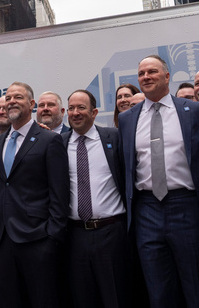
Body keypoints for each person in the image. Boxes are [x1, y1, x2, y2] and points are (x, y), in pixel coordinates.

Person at [120, 55, 199, 308]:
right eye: (141, 73)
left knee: (197, 286)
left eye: (152, 72)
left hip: (187, 206)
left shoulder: (194, 111)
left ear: (167, 77)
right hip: (146, 209)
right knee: (159, 290)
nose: (146, 77)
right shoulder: (127, 118)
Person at [0, 82, 68, 308]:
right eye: (8, 97)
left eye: (18, 97)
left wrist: (52, 238)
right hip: (1, 242)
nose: (11, 101)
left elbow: (59, 193)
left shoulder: (49, 140)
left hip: (37, 240)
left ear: (31, 104)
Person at [63, 89, 128, 308]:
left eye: (81, 107)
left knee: (115, 296)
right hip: (74, 235)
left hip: (111, 233)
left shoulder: (114, 138)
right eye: (71, 108)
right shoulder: (58, 145)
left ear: (94, 112)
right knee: (82, 297)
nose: (75, 113)